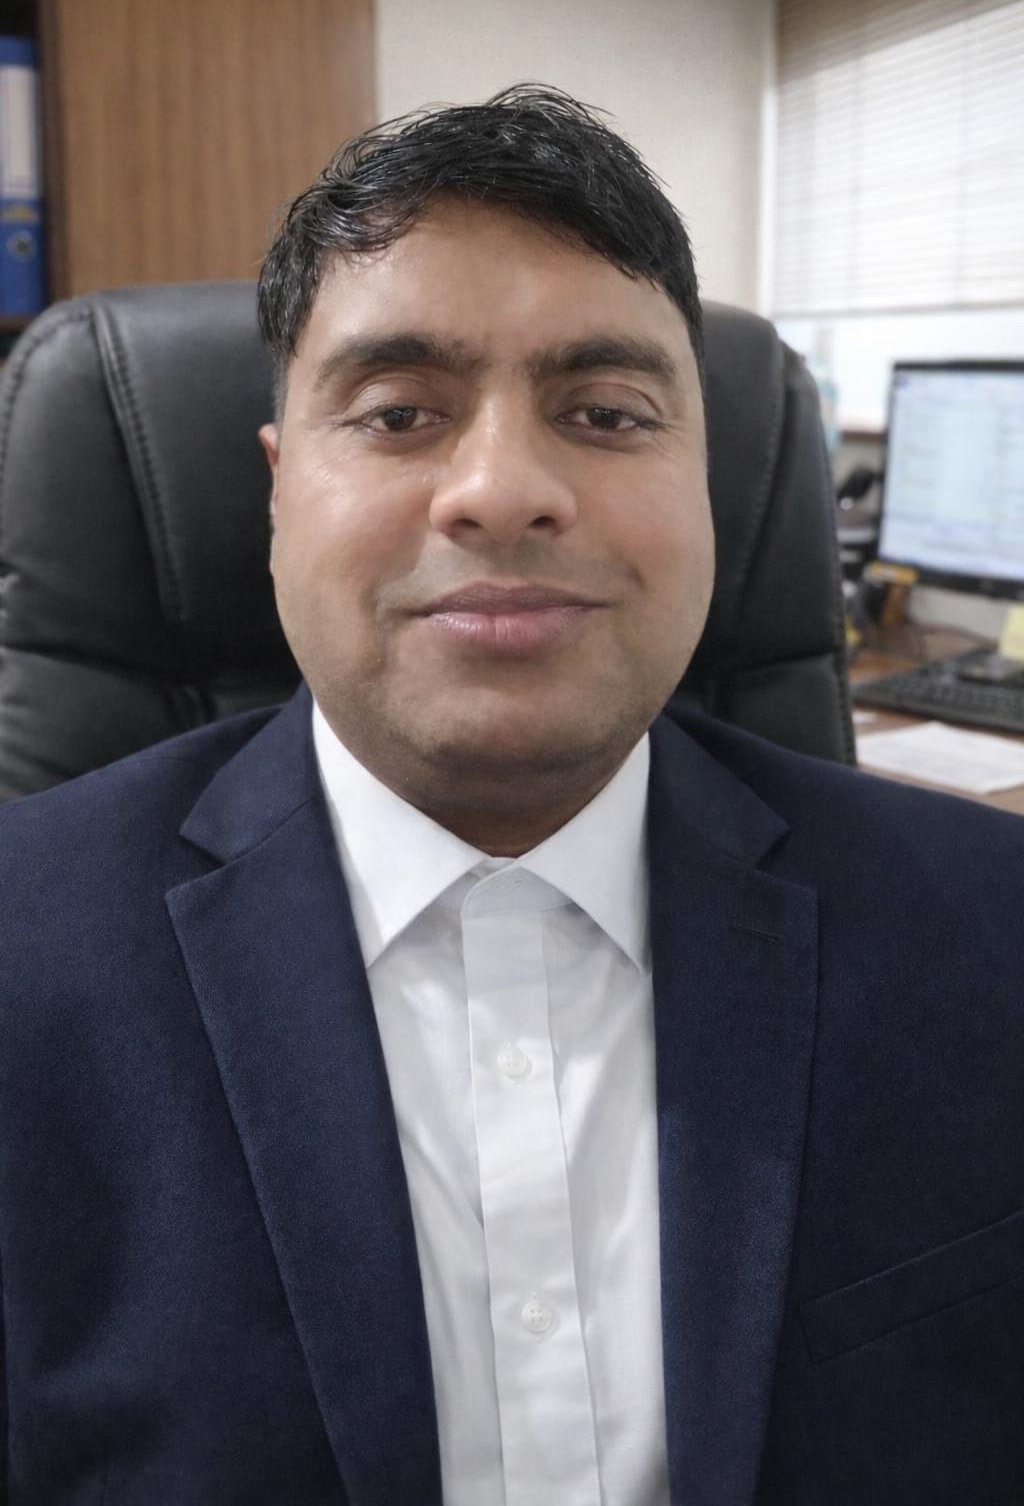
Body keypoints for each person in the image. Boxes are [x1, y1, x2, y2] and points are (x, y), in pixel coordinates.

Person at [0, 87, 1021, 1506]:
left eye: (605, 413)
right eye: (399, 413)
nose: (500, 490)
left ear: (707, 485)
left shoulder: (993, 931)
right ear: (281, 490)